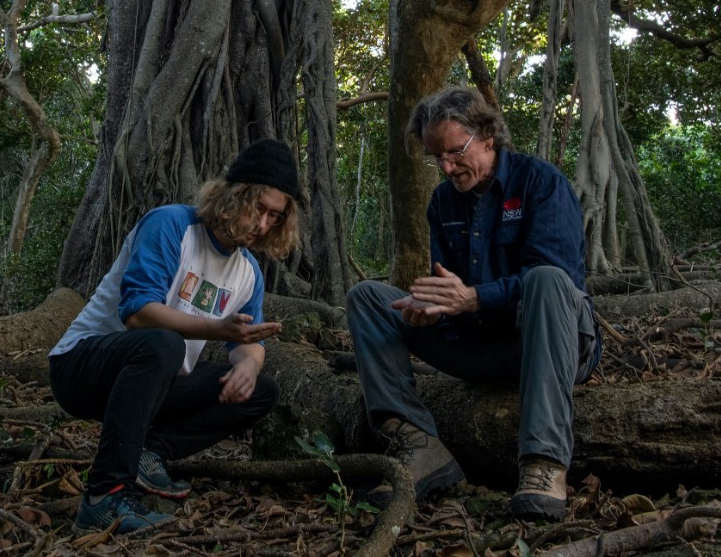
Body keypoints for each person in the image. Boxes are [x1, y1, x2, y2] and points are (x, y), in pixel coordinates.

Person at [346, 86, 600, 520]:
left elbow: (560, 284)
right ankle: (420, 447)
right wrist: (432, 314)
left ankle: (544, 463)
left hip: (548, 347)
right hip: (480, 349)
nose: (446, 167)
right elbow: (451, 292)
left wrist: (475, 298)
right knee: (368, 298)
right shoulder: (444, 201)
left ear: (488, 135)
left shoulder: (540, 183)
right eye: (436, 158)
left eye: (454, 152)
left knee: (546, 279)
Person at [49, 139, 302, 534]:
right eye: (259, 209)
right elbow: (137, 313)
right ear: (235, 196)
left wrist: (248, 367)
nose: (264, 225)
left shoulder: (248, 272)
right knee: (164, 342)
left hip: (155, 382)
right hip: (83, 367)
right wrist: (217, 328)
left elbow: (249, 342)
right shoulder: (170, 225)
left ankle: (151, 453)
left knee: (262, 390)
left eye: (275, 216)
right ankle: (103, 498)